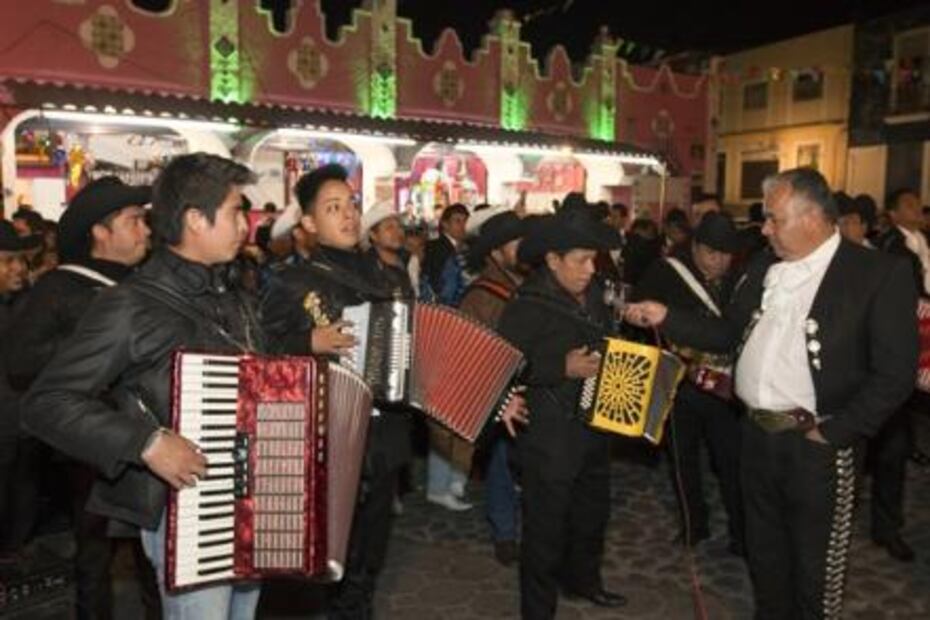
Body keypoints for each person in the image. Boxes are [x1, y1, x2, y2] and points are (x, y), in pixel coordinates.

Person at [626, 168, 918, 619]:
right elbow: (726, 332)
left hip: (818, 446)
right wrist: (666, 316)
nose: (764, 230)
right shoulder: (765, 267)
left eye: (773, 219)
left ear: (814, 218)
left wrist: (838, 432)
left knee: (815, 574)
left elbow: (895, 375)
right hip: (756, 438)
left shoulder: (877, 273)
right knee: (766, 562)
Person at [22, 153, 263, 619]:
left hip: (246, 497)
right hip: (182, 509)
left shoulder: (232, 296)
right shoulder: (130, 304)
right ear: (196, 219)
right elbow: (46, 402)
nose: (245, 225)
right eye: (237, 210)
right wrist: (146, 443)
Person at [260, 164, 407, 620]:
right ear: (307, 223)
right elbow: (258, 354)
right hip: (325, 438)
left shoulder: (385, 275)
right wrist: (308, 343)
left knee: (370, 545)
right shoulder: (291, 282)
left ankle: (357, 608)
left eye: (351, 204)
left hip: (383, 435)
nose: (348, 215)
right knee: (322, 551)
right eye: (333, 207)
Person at [7, 176, 158, 619]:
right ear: (100, 230)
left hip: (152, 437)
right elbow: (19, 359)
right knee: (94, 557)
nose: (146, 230)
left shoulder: (149, 283)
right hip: (92, 445)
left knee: (156, 556)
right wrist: (98, 350)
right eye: (134, 221)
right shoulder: (61, 288)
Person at [498, 207, 627, 619]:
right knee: (544, 534)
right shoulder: (526, 304)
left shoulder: (595, 293)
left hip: (594, 427)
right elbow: (500, 368)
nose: (591, 269)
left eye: (594, 259)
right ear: (553, 260)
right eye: (581, 260)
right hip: (549, 438)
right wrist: (560, 367)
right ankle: (538, 612)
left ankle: (584, 581)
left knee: (592, 516)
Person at [634, 212, 745, 556]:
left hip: (726, 389)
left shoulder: (741, 278)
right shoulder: (666, 272)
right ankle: (694, 524)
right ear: (695, 247)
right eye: (712, 252)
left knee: (732, 463)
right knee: (683, 461)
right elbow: (639, 316)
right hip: (680, 384)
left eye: (727, 254)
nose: (719, 261)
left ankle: (741, 532)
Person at [460, 211, 528, 565]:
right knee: (501, 462)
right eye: (517, 242)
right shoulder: (481, 295)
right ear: (496, 252)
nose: (525, 247)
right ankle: (504, 532)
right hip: (500, 391)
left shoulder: (531, 281)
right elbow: (468, 352)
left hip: (533, 389)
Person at [868, 187, 929, 562]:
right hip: (892, 358)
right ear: (891, 213)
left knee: (895, 445)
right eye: (908, 204)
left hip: (913, 357)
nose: (917, 209)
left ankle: (887, 520)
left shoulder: (921, 243)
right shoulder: (893, 249)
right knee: (890, 446)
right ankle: (884, 525)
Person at [0, 221, 40, 558]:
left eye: (21, 260)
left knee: (22, 491)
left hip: (24, 426)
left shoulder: (28, 305)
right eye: (7, 260)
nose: (18, 268)